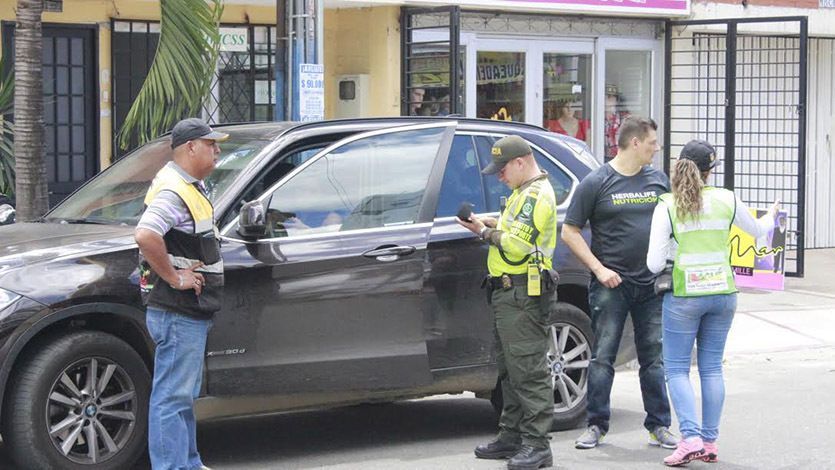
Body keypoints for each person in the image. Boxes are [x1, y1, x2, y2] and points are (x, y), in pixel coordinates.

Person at [646, 139, 779, 466]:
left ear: (679, 165)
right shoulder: (727, 199)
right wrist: (773, 213)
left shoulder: (667, 205)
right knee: (711, 368)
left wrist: (674, 253)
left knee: (676, 368)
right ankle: (709, 441)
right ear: (709, 171)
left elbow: (652, 264)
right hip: (723, 294)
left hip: (684, 297)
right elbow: (759, 231)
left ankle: (688, 437)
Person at [561, 116, 678, 450]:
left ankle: (659, 425)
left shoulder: (658, 181)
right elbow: (569, 231)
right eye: (653, 142)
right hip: (611, 286)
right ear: (635, 143)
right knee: (603, 357)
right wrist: (599, 270)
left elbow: (674, 225)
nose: (657, 148)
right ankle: (596, 425)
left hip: (652, 286)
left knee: (653, 358)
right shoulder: (597, 181)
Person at [458, 135, 558, 470]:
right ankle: (512, 436)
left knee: (528, 371)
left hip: (523, 295)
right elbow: (513, 228)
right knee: (510, 371)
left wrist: (482, 233)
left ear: (520, 162)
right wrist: (489, 222)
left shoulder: (536, 197)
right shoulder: (521, 193)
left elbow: (515, 245)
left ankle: (537, 444)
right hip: (508, 294)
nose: (499, 176)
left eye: (502, 170)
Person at [135, 117, 228, 470]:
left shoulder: (189, 186)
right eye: (211, 144)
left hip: (188, 310)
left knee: (181, 396)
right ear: (190, 147)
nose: (217, 150)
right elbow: (146, 235)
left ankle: (188, 463)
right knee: (173, 397)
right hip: (177, 309)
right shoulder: (174, 190)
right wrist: (175, 278)